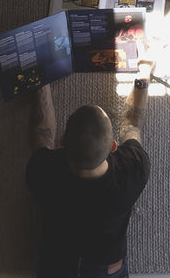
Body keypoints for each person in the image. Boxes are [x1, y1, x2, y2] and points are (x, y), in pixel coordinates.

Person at [25, 58, 154, 278]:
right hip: (104, 268)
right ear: (113, 147)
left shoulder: (44, 172)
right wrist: (143, 74)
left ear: (63, 140)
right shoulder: (133, 170)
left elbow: (42, 131)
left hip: (58, 267)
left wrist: (40, 81)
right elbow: (132, 125)